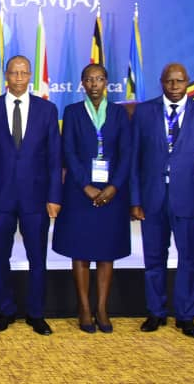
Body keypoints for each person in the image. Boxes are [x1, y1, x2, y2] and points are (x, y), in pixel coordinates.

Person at [130, 62, 194, 338]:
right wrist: (135, 200)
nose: (174, 86)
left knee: (189, 260)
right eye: (169, 81)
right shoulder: (143, 112)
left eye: (180, 81)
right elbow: (134, 159)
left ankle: (186, 316)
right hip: (153, 199)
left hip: (191, 201)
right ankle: (156, 312)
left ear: (187, 82)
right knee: (153, 259)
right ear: (161, 82)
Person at [0, 55, 61, 336]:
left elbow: (54, 158)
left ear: (30, 76)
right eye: (14, 72)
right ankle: (5, 310)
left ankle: (36, 313)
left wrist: (54, 197)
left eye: (24, 73)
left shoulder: (47, 110)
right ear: (6, 75)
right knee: (0, 256)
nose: (19, 78)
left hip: (35, 199)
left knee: (37, 257)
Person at [51, 64, 131, 334]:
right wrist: (85, 185)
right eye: (89, 80)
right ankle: (84, 308)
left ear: (106, 82)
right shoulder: (72, 112)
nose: (94, 84)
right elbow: (68, 152)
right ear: (82, 83)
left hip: (112, 194)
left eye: (99, 79)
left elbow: (126, 153)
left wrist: (114, 187)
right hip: (79, 193)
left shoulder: (119, 113)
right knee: (81, 250)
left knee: (107, 252)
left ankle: (102, 308)